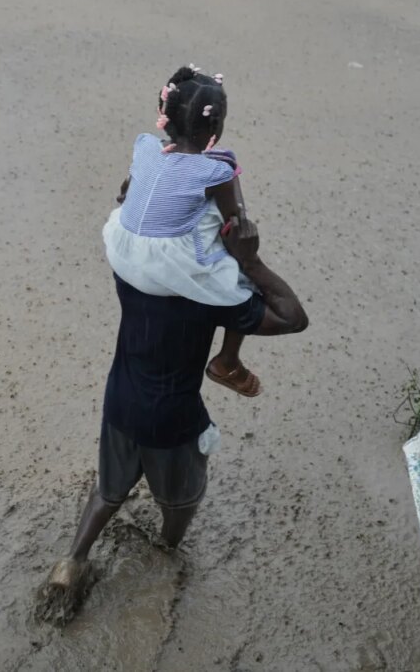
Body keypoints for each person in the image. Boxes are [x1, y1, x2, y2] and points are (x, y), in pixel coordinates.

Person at [42, 190, 308, 601]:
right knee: (180, 501)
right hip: (174, 420)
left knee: (108, 491)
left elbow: (133, 214)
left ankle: (71, 561)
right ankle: (164, 553)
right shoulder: (211, 297)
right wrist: (249, 260)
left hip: (120, 402)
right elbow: (292, 317)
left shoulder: (128, 272)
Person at [104, 65, 275, 397]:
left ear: (164, 114)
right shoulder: (219, 170)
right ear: (215, 125)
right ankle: (228, 361)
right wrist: (245, 254)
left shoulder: (146, 146)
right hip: (165, 266)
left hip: (122, 247)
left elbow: (124, 191)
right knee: (242, 267)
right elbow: (237, 225)